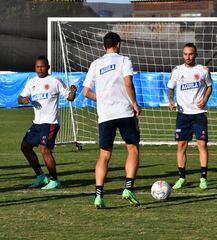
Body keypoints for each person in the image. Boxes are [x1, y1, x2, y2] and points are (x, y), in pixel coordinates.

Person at [83, 32, 141, 208]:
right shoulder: (124, 60)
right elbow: (128, 83)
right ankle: (128, 188)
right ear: (119, 44)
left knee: (104, 155)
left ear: (104, 47)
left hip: (105, 115)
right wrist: (135, 103)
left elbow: (85, 92)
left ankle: (99, 194)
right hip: (124, 112)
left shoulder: (96, 63)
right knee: (132, 149)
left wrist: (101, 99)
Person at [18, 56, 77, 190]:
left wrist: (73, 90)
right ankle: (40, 176)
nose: (40, 69)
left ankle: (54, 180)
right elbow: (20, 98)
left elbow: (70, 98)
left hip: (50, 122)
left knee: (44, 149)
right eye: (37, 67)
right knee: (25, 147)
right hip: (36, 123)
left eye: (42, 66)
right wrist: (23, 100)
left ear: (48, 67)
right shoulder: (31, 82)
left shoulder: (55, 81)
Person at [167, 43, 213, 190]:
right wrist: (171, 101)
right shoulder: (177, 71)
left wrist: (205, 99)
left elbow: (210, 86)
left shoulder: (203, 70)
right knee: (181, 146)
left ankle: (203, 178)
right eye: (185, 54)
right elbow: (170, 88)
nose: (188, 57)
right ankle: (182, 178)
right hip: (182, 115)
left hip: (199, 114)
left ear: (195, 54)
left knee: (202, 144)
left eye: (191, 54)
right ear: (182, 55)